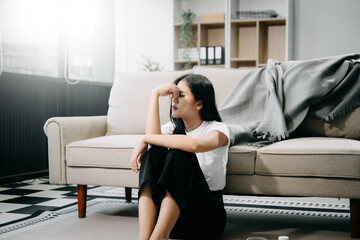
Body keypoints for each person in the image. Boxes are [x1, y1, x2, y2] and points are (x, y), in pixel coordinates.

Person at [130, 74, 230, 240]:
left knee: (180, 152)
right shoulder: (172, 128)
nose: (174, 100)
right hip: (172, 219)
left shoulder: (218, 129)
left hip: (206, 218)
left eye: (181, 95)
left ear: (199, 103)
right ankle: (145, 237)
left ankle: (159, 237)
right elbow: (153, 137)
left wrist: (145, 138)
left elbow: (195, 145)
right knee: (153, 153)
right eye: (172, 95)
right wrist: (154, 94)